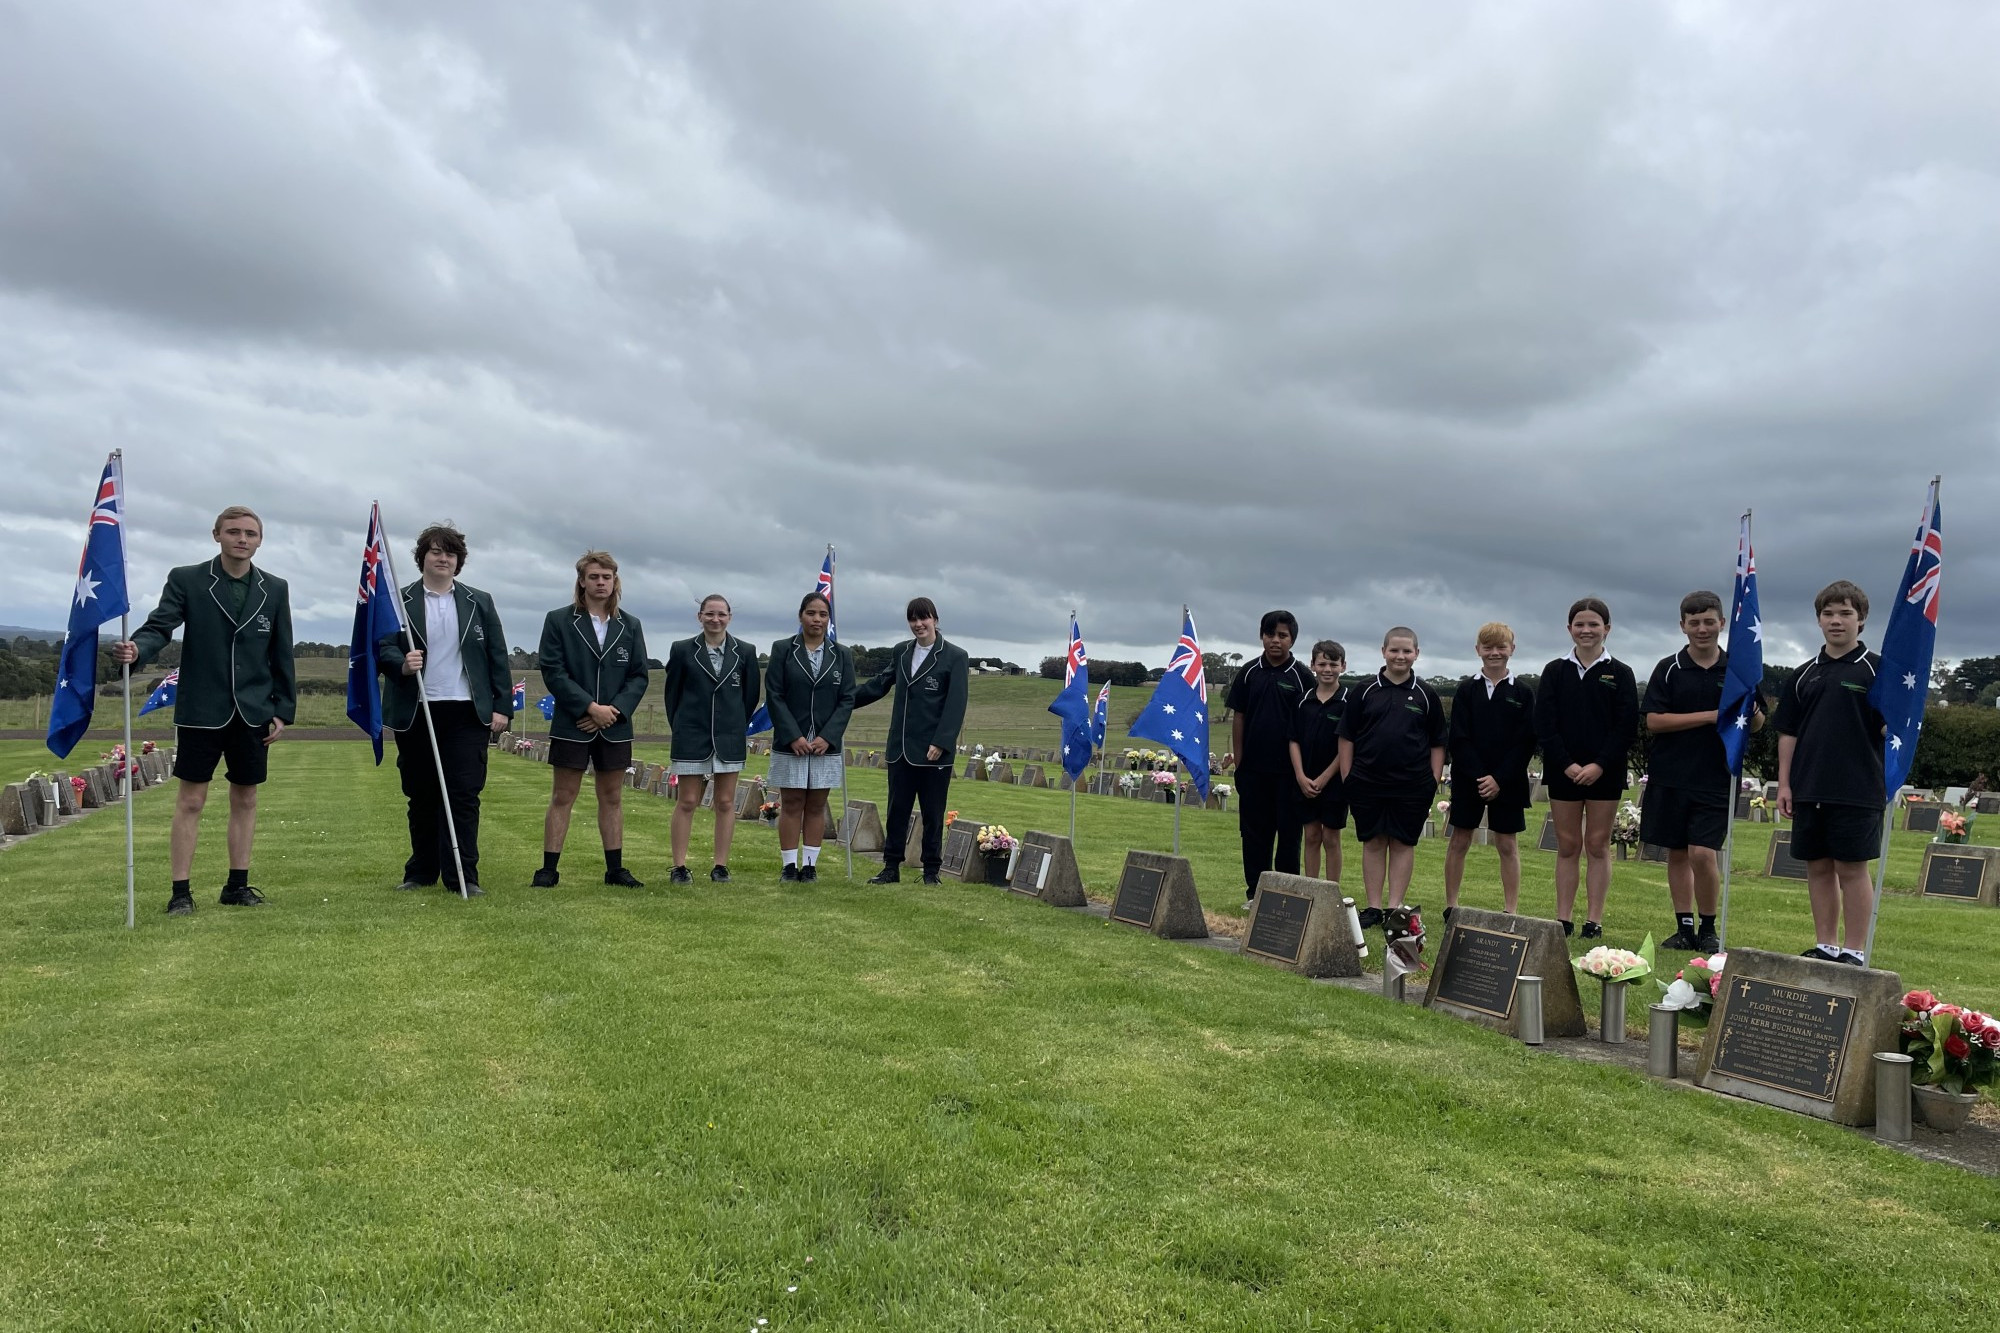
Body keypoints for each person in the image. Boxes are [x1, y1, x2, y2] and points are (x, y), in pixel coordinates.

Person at [111, 505, 295, 915]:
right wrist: (138, 649)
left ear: (260, 540)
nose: (242, 539)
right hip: (201, 709)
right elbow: (161, 626)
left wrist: (282, 709)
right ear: (217, 535)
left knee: (245, 799)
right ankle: (180, 893)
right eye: (233, 532)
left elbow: (281, 652)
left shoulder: (276, 588)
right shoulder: (187, 579)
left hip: (253, 712)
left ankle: (237, 885)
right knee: (191, 801)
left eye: (250, 533)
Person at [376, 523, 511, 896]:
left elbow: (496, 656)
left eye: (450, 553)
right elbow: (382, 646)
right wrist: (402, 662)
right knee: (421, 794)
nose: (443, 558)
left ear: (458, 561)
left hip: (466, 710)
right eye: (436, 551)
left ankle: (463, 876)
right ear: (423, 557)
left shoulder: (479, 601)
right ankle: (420, 872)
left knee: (463, 794)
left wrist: (502, 707)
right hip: (416, 709)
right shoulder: (397, 600)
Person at [1641, 591, 1765, 952]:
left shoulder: (1740, 669)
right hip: (1672, 773)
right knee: (1677, 853)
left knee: (1702, 853)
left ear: (1722, 624)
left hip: (1717, 774)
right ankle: (1684, 926)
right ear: (1683, 626)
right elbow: (1654, 721)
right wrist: (1712, 716)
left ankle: (1708, 928)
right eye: (1694, 622)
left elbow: (1755, 726)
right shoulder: (1669, 667)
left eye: (1709, 621)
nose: (1702, 628)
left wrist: (1753, 712)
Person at [1773, 581, 1885, 965]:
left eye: (1846, 613)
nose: (1836, 621)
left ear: (1862, 621)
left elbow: (1893, 728)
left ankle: (1854, 950)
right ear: (1819, 620)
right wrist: (1785, 783)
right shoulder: (1804, 674)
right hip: (1808, 787)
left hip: (1857, 789)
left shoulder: (1879, 671)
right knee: (1818, 868)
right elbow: (1788, 732)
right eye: (1829, 614)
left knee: (1852, 870)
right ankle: (1826, 946)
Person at [534, 551, 650, 888]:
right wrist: (588, 708)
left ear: (615, 581)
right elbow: (553, 671)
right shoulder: (558, 620)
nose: (601, 583)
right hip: (573, 723)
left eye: (607, 577)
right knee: (562, 795)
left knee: (612, 797)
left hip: (615, 725)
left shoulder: (630, 625)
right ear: (582, 581)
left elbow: (639, 676)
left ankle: (615, 869)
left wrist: (610, 712)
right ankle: (548, 869)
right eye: (594, 577)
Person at [1534, 597, 1639, 938]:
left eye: (1594, 624)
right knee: (1567, 846)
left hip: (1604, 773)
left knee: (1596, 845)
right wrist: (1565, 764)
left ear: (1607, 628)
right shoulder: (1554, 671)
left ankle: (1593, 920)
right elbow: (1545, 724)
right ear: (1569, 629)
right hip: (1563, 771)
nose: (1586, 630)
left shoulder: (1620, 673)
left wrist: (1598, 765)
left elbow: (1625, 727)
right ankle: (1562, 919)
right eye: (1580, 624)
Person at [855, 597, 969, 885]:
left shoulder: (955, 656)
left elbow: (956, 704)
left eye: (924, 618)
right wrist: (843, 699)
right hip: (901, 749)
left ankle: (931, 870)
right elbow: (879, 684)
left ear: (935, 620)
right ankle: (890, 867)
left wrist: (942, 741)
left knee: (933, 812)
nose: (918, 624)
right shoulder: (901, 652)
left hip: (934, 751)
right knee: (897, 811)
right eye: (913, 619)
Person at [1338, 627, 1446, 928]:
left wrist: (1433, 780)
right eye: (1394, 650)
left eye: (1406, 651)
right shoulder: (1364, 690)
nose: (1400, 656)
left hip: (1411, 785)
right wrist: (1348, 778)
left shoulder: (1426, 694)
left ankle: (1394, 908)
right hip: (1367, 782)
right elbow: (1346, 737)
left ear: (1416, 654)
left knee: (1402, 843)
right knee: (1372, 842)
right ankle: (1373, 908)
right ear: (1383, 651)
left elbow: (1438, 741)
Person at [664, 594, 761, 884]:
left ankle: (720, 865)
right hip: (691, 735)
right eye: (709, 614)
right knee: (688, 801)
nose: (715, 619)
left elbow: (749, 697)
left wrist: (733, 726)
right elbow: (673, 695)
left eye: (721, 614)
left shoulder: (745, 651)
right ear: (700, 616)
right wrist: (683, 727)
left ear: (729, 617)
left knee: (725, 802)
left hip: (729, 736)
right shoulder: (682, 650)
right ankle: (679, 867)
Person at [1443, 623, 1537, 917]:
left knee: (1507, 844)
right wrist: (1480, 776)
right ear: (1478, 651)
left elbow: (1525, 742)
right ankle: (1452, 905)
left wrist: (1499, 778)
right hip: (1469, 778)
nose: (1494, 653)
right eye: (1488, 647)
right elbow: (1458, 737)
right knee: (1460, 839)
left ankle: (1510, 910)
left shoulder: (1522, 693)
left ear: (1512, 649)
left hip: (1507, 781)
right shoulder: (1466, 690)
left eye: (1501, 647)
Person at [764, 591, 856, 882]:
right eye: (811, 613)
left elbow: (847, 698)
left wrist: (828, 736)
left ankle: (810, 866)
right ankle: (789, 866)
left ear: (829, 619)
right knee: (792, 804)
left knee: (816, 805)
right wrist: (793, 735)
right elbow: (775, 696)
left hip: (824, 746)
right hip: (792, 743)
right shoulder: (782, 650)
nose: (817, 619)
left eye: (823, 614)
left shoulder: (842, 655)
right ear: (801, 616)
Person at [1223, 610, 1314, 899]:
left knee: (1289, 836)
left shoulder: (1302, 677)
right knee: (1253, 836)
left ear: (1292, 640)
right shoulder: (1249, 672)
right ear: (1262, 636)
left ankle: (1284, 895)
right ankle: (1255, 895)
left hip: (1290, 773)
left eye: (1282, 635)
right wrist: (1240, 760)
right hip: (1253, 771)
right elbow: (1239, 716)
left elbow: (1310, 722)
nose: (1275, 640)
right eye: (1270, 634)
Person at [1287, 640, 1349, 884]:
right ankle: (1311, 889)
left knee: (1331, 838)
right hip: (1305, 781)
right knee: (1311, 835)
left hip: (1334, 783)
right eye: (1322, 663)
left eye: (1333, 664)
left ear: (1343, 666)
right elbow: (1293, 740)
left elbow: (1347, 745)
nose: (1327, 669)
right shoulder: (1302, 701)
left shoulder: (1349, 702)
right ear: (1312, 665)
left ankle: (1331, 891)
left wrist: (1325, 778)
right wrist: (1301, 776)